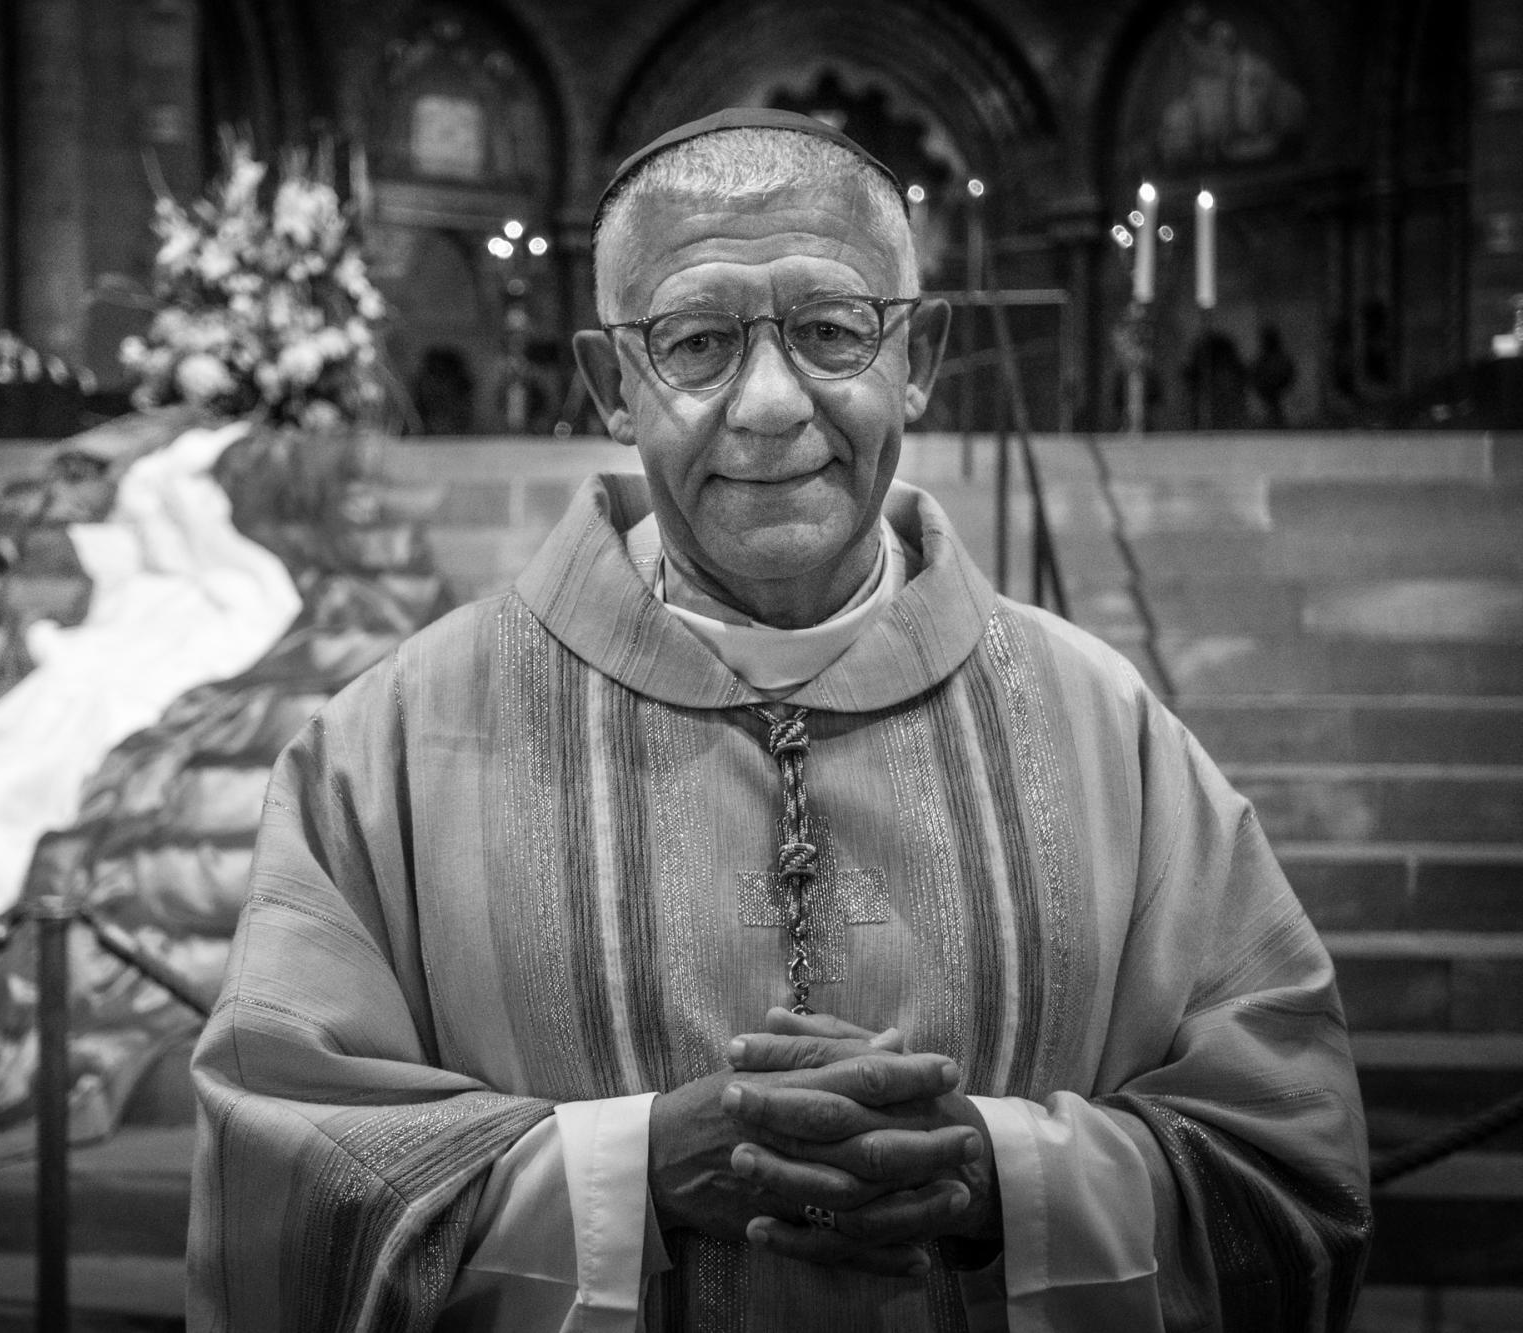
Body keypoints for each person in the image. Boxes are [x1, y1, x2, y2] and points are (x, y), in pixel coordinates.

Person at [188, 108, 1371, 1331]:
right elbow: (287, 1168)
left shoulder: (1103, 728)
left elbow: (1286, 1163)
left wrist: (994, 1176)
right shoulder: (385, 748)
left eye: (826, 331)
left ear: (913, 359)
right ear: (609, 382)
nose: (766, 404)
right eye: (696, 341)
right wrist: (634, 1173)